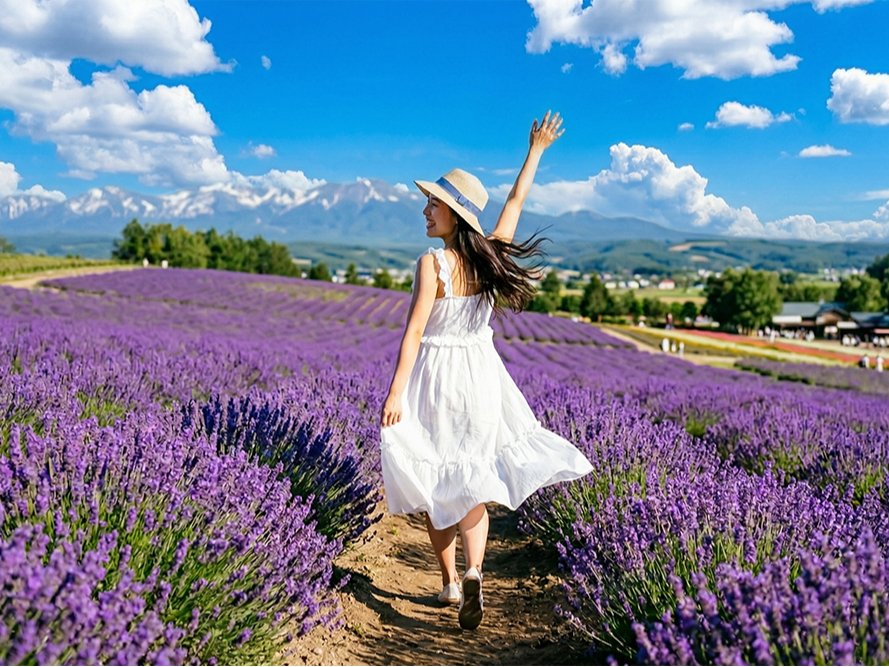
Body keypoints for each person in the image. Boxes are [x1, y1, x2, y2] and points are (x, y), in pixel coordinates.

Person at [379, 112, 593, 631]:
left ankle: (451, 582)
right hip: (481, 378)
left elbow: (412, 334)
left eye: (434, 204)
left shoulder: (432, 265)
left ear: (453, 215)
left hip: (436, 376)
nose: (425, 210)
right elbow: (515, 203)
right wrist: (536, 151)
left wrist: (394, 394)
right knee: (472, 477)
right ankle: (476, 570)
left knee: (433, 475)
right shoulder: (490, 257)